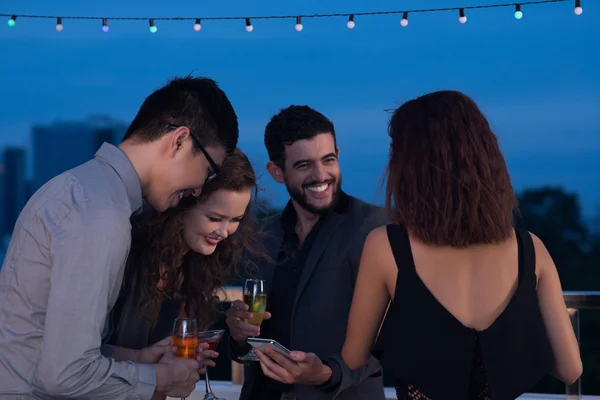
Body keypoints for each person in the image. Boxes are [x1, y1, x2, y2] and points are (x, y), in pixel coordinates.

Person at [0, 76, 239, 399]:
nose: (199, 189)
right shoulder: (101, 214)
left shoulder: (77, 189)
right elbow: (64, 376)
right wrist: (157, 379)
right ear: (179, 141)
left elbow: (47, 348)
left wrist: (138, 360)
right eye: (208, 170)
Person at [339, 90, 583, 399]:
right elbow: (570, 369)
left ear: (409, 165)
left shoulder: (387, 246)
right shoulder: (530, 250)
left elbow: (354, 357)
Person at [225, 105, 389, 400]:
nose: (321, 175)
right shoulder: (261, 236)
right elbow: (249, 345)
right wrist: (238, 337)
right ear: (276, 171)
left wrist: (327, 373)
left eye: (328, 160)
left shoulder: (376, 228)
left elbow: (391, 335)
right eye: (304, 165)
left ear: (338, 155)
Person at [107, 149, 263, 400]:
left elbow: (167, 369)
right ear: (184, 206)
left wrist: (183, 363)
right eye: (214, 218)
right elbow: (77, 356)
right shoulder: (125, 252)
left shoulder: (194, 265)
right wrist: (148, 363)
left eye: (236, 219)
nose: (224, 232)